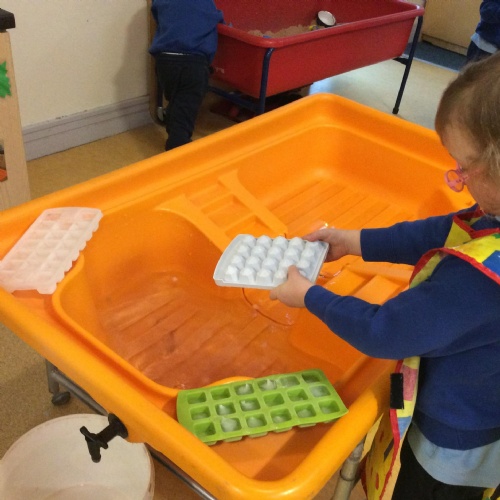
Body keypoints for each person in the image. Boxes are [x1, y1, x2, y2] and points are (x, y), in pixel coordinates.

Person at [270, 52, 500, 499]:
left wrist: (310, 296)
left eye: (463, 167)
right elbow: (442, 231)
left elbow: (387, 331)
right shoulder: (494, 212)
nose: (456, 180)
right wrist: (354, 241)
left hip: (454, 442)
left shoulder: (478, 283)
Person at [149, 1, 224, 150]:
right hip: (193, 64)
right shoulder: (206, 4)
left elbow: (157, 16)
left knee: (177, 99)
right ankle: (178, 146)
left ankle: (172, 120)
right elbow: (217, 19)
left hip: (164, 61)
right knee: (186, 107)